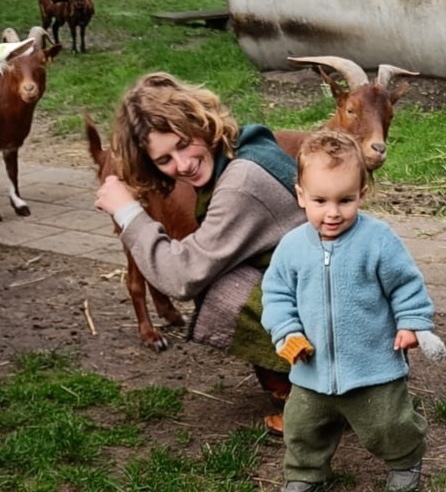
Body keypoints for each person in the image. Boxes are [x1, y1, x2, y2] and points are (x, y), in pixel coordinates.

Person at [94, 71, 306, 430]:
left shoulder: (240, 183)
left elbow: (182, 278)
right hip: (337, 304)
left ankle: (313, 398)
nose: (182, 165)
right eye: (164, 160)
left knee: (219, 287)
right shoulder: (245, 145)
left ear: (200, 122)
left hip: (343, 326)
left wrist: (128, 213)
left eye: (182, 143)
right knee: (224, 270)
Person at [261, 129, 440, 492]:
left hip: (372, 364)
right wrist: (285, 331)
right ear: (300, 196)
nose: (332, 212)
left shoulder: (378, 240)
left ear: (362, 193)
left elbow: (405, 285)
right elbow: (276, 296)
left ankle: (405, 458)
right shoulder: (291, 248)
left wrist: (411, 323)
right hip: (311, 369)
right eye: (320, 200)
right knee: (302, 424)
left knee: (388, 422)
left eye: (345, 200)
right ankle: (306, 470)